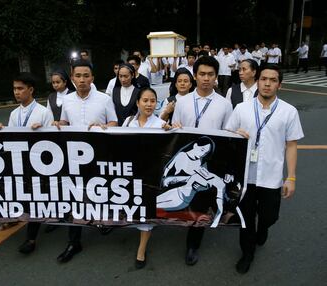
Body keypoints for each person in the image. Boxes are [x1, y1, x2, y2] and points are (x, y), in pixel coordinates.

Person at [225, 64, 304, 274]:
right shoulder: (241, 108)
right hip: (245, 176)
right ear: (257, 81)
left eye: (273, 80)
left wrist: (291, 177)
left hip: (271, 176)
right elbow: (227, 136)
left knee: (269, 216)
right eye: (263, 79)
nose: (267, 84)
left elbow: (292, 145)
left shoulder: (289, 112)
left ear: (280, 84)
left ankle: (264, 228)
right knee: (245, 219)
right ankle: (247, 253)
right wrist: (235, 135)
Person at [53, 59, 118, 263]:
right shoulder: (68, 100)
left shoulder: (104, 99)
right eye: (78, 76)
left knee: (100, 191)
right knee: (75, 197)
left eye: (86, 76)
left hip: (99, 155)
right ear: (71, 78)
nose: (82, 80)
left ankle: (104, 221)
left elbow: (115, 122)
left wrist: (104, 125)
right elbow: (64, 121)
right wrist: (57, 123)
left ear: (92, 78)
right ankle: (74, 241)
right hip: (73, 157)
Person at [172, 56, 233, 266]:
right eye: (202, 74)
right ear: (195, 76)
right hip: (185, 162)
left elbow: (228, 135)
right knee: (183, 199)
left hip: (209, 165)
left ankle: (192, 245)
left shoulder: (224, 104)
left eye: (210, 75)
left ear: (216, 77)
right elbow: (175, 130)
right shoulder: (183, 102)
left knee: (199, 204)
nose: (206, 79)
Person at [0, 72, 53, 254]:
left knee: (36, 197)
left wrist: (41, 131)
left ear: (31, 89)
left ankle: (31, 238)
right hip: (20, 163)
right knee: (26, 195)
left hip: (39, 164)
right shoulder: (14, 114)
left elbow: (53, 141)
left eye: (20, 88)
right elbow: (11, 138)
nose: (16, 92)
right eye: (14, 89)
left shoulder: (44, 112)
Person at [122, 87, 172, 269]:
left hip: (150, 176)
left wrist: (174, 131)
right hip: (129, 174)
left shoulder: (161, 124)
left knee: (146, 212)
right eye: (145, 100)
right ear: (137, 102)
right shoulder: (127, 123)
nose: (149, 104)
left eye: (153, 101)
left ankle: (141, 249)